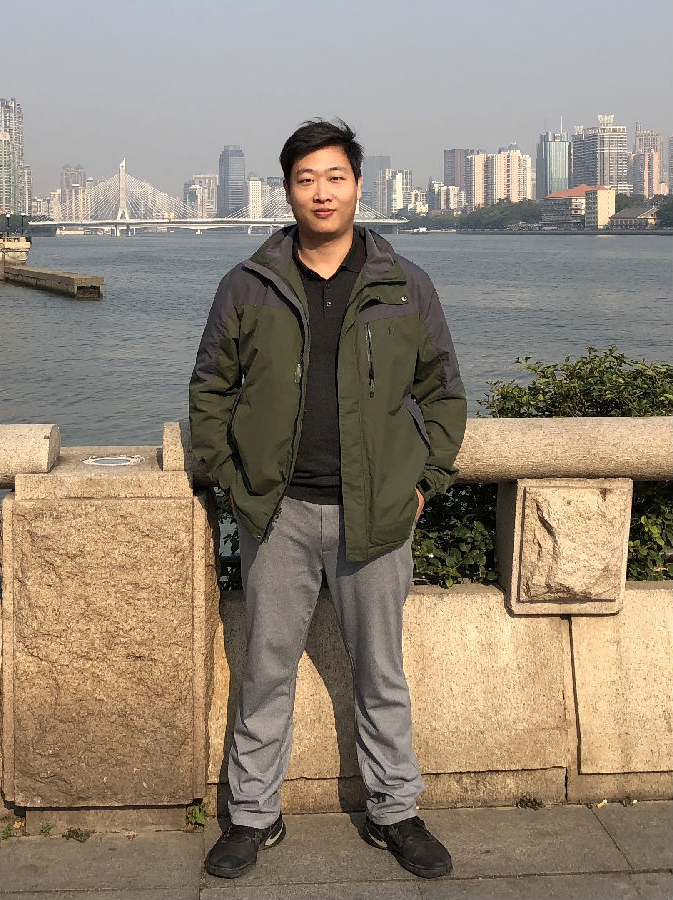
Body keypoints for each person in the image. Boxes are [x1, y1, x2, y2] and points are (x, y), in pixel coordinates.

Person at [189, 119, 466, 880]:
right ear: (286, 190)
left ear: (357, 186)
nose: (321, 192)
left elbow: (443, 391)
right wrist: (232, 479)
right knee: (264, 671)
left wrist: (422, 482)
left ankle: (395, 811)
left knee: (381, 673)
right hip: (275, 513)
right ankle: (252, 816)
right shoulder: (248, 285)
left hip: (374, 514)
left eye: (334, 177)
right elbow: (211, 388)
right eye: (306, 178)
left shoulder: (404, 284)